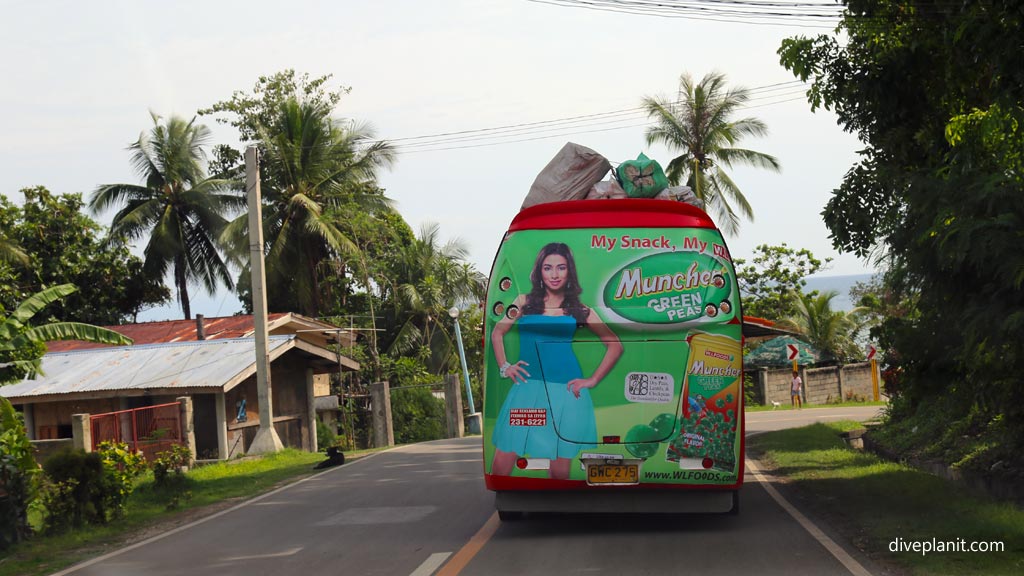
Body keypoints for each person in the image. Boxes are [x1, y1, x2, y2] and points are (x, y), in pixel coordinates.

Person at [490, 242, 623, 480]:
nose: (554, 274)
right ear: (539, 271)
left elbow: (615, 345)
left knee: (560, 469)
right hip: (527, 390)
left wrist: (591, 380)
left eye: (561, 268)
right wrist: (505, 366)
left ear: (569, 271)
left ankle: (562, 512)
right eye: (547, 267)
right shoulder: (523, 301)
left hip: (567, 393)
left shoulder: (580, 309)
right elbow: (497, 332)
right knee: (502, 462)